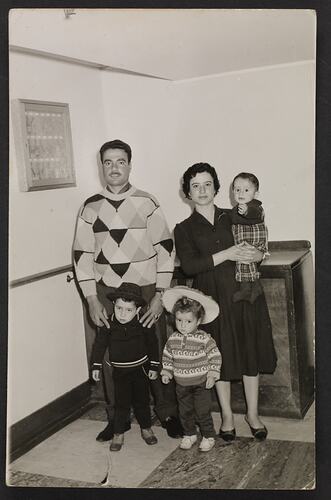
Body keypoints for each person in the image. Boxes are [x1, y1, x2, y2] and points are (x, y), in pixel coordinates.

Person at [73, 139, 182, 441]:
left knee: (153, 350)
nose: (114, 168)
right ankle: (116, 419)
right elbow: (81, 254)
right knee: (110, 356)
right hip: (106, 291)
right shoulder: (90, 206)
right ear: (102, 167)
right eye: (108, 162)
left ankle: (167, 413)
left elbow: (165, 249)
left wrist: (161, 294)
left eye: (120, 161)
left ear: (130, 165)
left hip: (146, 291)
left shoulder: (148, 202)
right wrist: (91, 298)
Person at [174, 163, 277, 442]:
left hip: (245, 294)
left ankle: (253, 415)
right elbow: (191, 267)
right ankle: (228, 416)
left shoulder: (234, 214)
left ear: (217, 188)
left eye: (208, 184)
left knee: (249, 352)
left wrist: (260, 256)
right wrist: (228, 253)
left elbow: (260, 239)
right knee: (220, 356)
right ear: (187, 193)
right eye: (195, 186)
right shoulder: (183, 228)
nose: (202, 190)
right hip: (212, 299)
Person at [91, 283, 159, 451]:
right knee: (121, 403)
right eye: (119, 308)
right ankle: (118, 432)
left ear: (137, 310)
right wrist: (95, 366)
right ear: (114, 305)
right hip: (120, 372)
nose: (122, 314)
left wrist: (154, 366)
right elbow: (99, 345)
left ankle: (146, 428)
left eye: (128, 310)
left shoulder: (144, 324)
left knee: (142, 401)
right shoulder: (108, 324)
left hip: (140, 370)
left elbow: (152, 344)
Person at [161, 286, 222, 452]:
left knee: (202, 412)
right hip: (181, 385)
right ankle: (190, 434)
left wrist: (213, 373)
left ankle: (209, 436)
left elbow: (215, 355)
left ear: (198, 321)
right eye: (179, 320)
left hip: (201, 384)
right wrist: (167, 371)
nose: (183, 325)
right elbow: (167, 356)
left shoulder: (203, 338)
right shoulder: (173, 339)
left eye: (188, 321)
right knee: (185, 412)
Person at [230, 172, 268, 304]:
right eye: (237, 190)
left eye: (246, 190)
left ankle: (249, 289)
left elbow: (255, 214)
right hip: (245, 243)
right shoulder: (236, 209)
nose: (241, 193)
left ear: (255, 194)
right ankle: (249, 289)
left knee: (246, 263)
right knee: (243, 265)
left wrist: (246, 211)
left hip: (255, 241)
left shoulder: (255, 207)